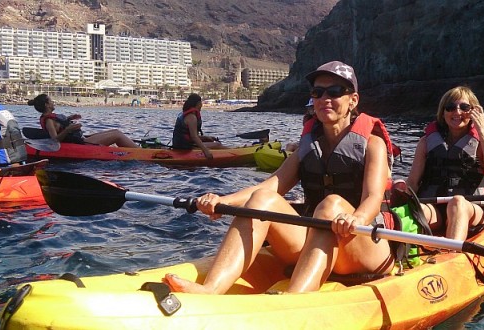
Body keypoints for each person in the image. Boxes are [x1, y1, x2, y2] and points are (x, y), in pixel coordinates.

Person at [163, 60, 397, 294]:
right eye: (318, 92)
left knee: (330, 205)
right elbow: (271, 185)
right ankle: (211, 289)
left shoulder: (372, 144)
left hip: (363, 243)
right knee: (263, 198)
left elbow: (373, 199)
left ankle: (295, 299)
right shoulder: (308, 147)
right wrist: (223, 201)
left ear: (352, 100)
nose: (325, 98)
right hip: (318, 240)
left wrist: (355, 218)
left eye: (335, 92)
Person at [402, 86, 484, 241]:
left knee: (457, 203)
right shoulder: (426, 142)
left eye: (464, 107)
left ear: (473, 112)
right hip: (434, 207)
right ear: (443, 113)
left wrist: (482, 130)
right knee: (415, 211)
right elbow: (412, 182)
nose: (457, 112)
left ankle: (453, 254)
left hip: (470, 209)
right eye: (450, 107)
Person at [29, 94, 138, 148]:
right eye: (51, 101)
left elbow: (59, 126)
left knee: (115, 131)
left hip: (81, 140)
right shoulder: (48, 121)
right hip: (82, 144)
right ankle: (141, 152)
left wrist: (69, 119)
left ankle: (135, 148)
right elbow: (55, 140)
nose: (53, 103)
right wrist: (68, 129)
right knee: (117, 135)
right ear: (47, 105)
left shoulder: (50, 118)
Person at [171, 93, 224, 159]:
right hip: (184, 146)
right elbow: (194, 137)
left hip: (180, 144)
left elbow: (190, 135)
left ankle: (230, 150)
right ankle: (232, 152)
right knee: (217, 144)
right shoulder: (192, 117)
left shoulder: (185, 114)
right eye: (201, 103)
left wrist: (206, 137)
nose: (202, 105)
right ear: (198, 103)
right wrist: (206, 151)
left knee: (211, 141)